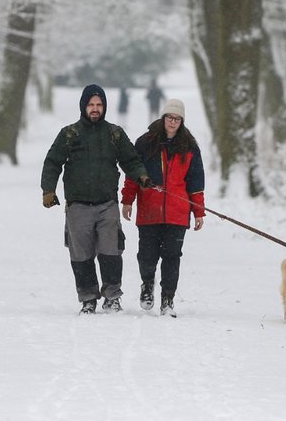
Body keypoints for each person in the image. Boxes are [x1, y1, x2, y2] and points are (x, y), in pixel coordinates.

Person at [41, 84, 151, 314]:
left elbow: (130, 160)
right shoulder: (69, 134)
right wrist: (48, 190)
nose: (95, 109)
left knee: (111, 251)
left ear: (104, 107)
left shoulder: (115, 133)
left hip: (107, 204)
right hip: (77, 205)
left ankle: (112, 297)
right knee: (81, 255)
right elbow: (53, 162)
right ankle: (88, 298)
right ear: (83, 106)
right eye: (91, 105)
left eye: (99, 105)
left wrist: (140, 175)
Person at [120, 98, 205, 317]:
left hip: (177, 212)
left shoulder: (190, 147)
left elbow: (196, 182)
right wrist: (128, 200)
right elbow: (133, 174)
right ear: (163, 117)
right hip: (149, 210)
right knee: (147, 255)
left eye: (177, 119)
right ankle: (147, 285)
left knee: (172, 257)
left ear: (182, 121)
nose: (173, 122)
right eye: (170, 117)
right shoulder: (145, 143)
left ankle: (168, 299)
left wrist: (198, 212)